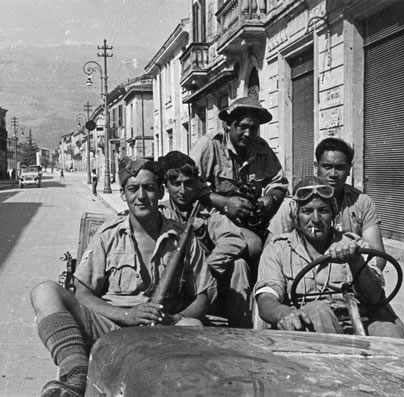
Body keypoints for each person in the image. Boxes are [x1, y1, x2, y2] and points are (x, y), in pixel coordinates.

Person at [30, 157, 214, 397]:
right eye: (132, 189)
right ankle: (76, 377)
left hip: (162, 331)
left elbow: (203, 296)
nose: (141, 196)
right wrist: (126, 315)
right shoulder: (108, 236)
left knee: (194, 326)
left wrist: (173, 317)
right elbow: (82, 293)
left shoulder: (182, 238)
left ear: (160, 191)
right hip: (110, 327)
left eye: (148, 188)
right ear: (124, 194)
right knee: (44, 291)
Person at [255, 176, 404, 338]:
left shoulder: (355, 245)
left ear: (333, 213)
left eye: (323, 210)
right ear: (295, 214)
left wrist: (355, 261)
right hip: (307, 331)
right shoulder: (277, 249)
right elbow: (266, 298)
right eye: (307, 211)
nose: (315, 219)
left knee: (391, 332)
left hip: (359, 322)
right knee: (318, 311)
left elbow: (375, 297)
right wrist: (282, 313)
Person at [191, 96, 289, 270]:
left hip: (252, 218)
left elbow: (278, 182)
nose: (248, 134)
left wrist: (270, 199)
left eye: (254, 128)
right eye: (242, 127)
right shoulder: (209, 145)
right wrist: (224, 202)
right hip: (216, 215)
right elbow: (189, 187)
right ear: (228, 125)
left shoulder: (261, 148)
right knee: (253, 246)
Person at [158, 151, 253, 327]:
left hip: (206, 286)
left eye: (188, 184)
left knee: (239, 265)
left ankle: (242, 330)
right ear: (166, 186)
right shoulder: (161, 214)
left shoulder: (206, 211)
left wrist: (207, 270)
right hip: (174, 288)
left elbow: (232, 239)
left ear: (196, 184)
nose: (182, 191)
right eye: (176, 184)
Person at [267, 136, 386, 270]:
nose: (333, 174)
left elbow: (377, 257)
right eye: (327, 166)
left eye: (340, 167)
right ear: (316, 167)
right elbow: (270, 251)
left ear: (349, 169)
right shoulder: (294, 203)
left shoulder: (362, 202)